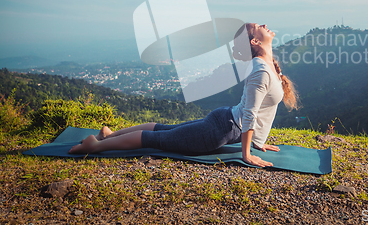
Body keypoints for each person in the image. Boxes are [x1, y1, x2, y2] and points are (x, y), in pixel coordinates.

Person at [69, 23, 299, 167]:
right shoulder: (260, 70)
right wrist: (247, 154)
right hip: (221, 129)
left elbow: (261, 111)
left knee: (163, 129)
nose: (265, 25)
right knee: (157, 138)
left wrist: (258, 142)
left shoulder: (266, 65)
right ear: (255, 41)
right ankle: (95, 146)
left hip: (224, 121)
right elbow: (250, 114)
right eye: (260, 26)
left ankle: (108, 135)